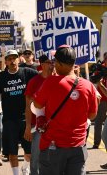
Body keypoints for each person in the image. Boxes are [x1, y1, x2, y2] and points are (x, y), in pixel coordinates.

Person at [32, 45, 98, 175]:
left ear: (61, 64)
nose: (54, 65)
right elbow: (92, 116)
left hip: (53, 146)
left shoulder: (51, 82)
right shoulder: (88, 85)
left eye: (55, 62)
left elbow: (37, 105)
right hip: (78, 147)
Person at [0, 50, 38, 175]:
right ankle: (16, 173)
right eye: (9, 59)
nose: (12, 61)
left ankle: (25, 167)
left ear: (18, 59)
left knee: (29, 151)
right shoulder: (1, 76)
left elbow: (42, 77)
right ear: (5, 61)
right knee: (12, 152)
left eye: (14, 58)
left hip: (27, 119)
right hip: (9, 120)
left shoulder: (27, 72)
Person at [24, 55, 54, 175]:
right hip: (38, 127)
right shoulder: (34, 82)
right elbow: (27, 106)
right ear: (42, 64)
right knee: (35, 157)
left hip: (56, 127)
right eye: (49, 62)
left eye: (53, 62)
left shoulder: (60, 80)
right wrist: (27, 126)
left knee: (53, 158)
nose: (52, 65)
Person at [94, 52, 107, 149]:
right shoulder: (100, 68)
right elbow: (94, 79)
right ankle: (96, 143)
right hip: (102, 99)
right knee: (99, 121)